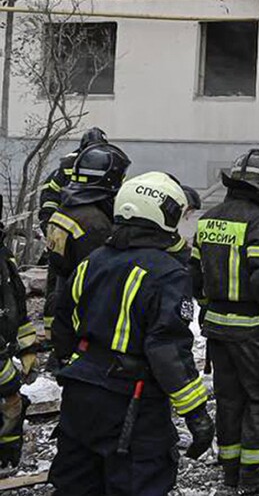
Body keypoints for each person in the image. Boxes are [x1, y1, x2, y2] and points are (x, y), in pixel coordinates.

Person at [50, 172, 214, 496]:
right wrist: (196, 414)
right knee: (139, 483)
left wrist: (76, 367)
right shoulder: (167, 274)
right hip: (131, 402)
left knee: (76, 484)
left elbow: (62, 322)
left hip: (79, 395)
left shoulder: (93, 261)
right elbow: (167, 350)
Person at [190, 149, 259, 492]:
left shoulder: (208, 219)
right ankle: (258, 472)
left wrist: (210, 308)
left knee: (230, 399)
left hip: (217, 331)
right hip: (254, 333)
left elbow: (194, 277)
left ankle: (232, 470)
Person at [44, 142, 130, 332]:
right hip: (85, 317)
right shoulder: (94, 224)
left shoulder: (66, 209)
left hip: (63, 305)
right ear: (110, 180)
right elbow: (100, 281)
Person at [0, 193, 35, 469]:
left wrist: (27, 347)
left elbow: (15, 302)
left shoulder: (3, 255)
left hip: (5, 349)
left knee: (12, 403)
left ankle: (6, 457)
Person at [37, 127, 108, 222]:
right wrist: (47, 218)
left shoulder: (112, 169)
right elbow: (51, 194)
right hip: (69, 220)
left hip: (101, 221)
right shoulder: (68, 168)